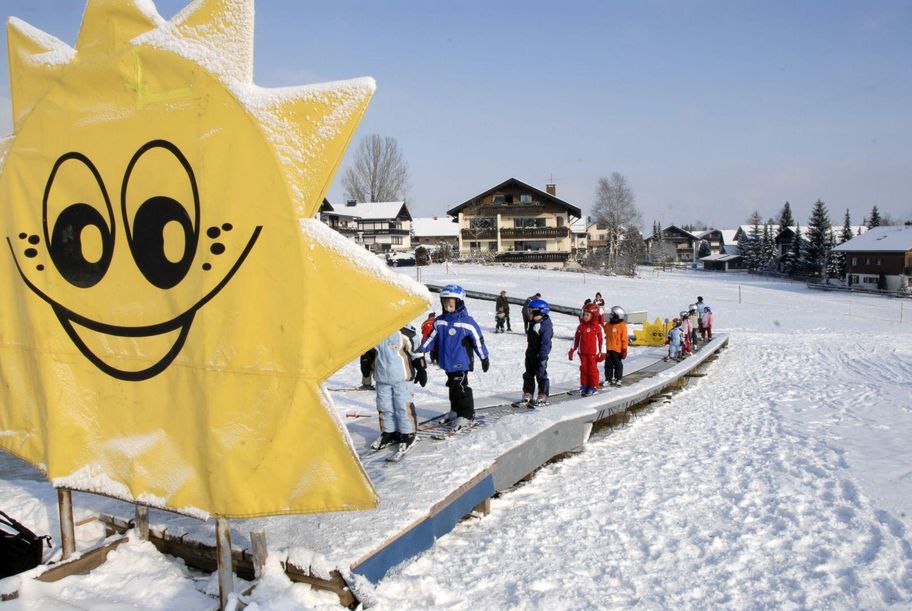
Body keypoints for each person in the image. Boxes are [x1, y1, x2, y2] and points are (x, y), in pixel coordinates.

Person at [420, 285, 490, 432]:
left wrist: (484, 357)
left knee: (461, 387)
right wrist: (420, 350)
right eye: (445, 302)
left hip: (462, 361)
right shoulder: (439, 321)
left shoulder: (467, 322)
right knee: (453, 386)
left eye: (451, 303)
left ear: (459, 302)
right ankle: (456, 410)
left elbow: (478, 341)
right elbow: (431, 338)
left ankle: (466, 414)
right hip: (447, 361)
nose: (448, 305)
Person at [366, 327, 428, 454]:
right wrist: (366, 364)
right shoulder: (373, 331)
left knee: (402, 406)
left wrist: (421, 369)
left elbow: (416, 351)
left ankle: (408, 433)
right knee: (384, 407)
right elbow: (368, 351)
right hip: (382, 378)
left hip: (402, 378)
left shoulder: (404, 332)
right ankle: (389, 432)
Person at [521, 298, 553, 406]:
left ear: (538, 312)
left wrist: (543, 355)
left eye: (530, 311)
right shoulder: (533, 322)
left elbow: (546, 342)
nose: (528, 314)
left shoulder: (545, 326)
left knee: (541, 374)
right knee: (528, 374)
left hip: (541, 354)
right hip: (531, 352)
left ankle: (543, 393)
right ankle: (528, 393)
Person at [569, 303, 604, 396]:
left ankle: (594, 386)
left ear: (594, 316)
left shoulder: (597, 327)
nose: (585, 316)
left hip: (593, 353)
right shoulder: (581, 327)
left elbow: (602, 341)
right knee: (584, 369)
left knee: (592, 370)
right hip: (583, 352)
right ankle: (584, 385)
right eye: (584, 314)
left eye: (587, 315)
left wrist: (602, 352)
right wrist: (572, 350)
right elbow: (576, 339)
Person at [603, 305, 629, 386]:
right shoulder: (608, 324)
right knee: (608, 365)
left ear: (617, 316)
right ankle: (608, 379)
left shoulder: (622, 326)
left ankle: (618, 379)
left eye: (612, 314)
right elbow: (603, 330)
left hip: (617, 350)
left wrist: (624, 350)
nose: (610, 316)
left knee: (618, 365)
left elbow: (624, 339)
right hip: (609, 349)